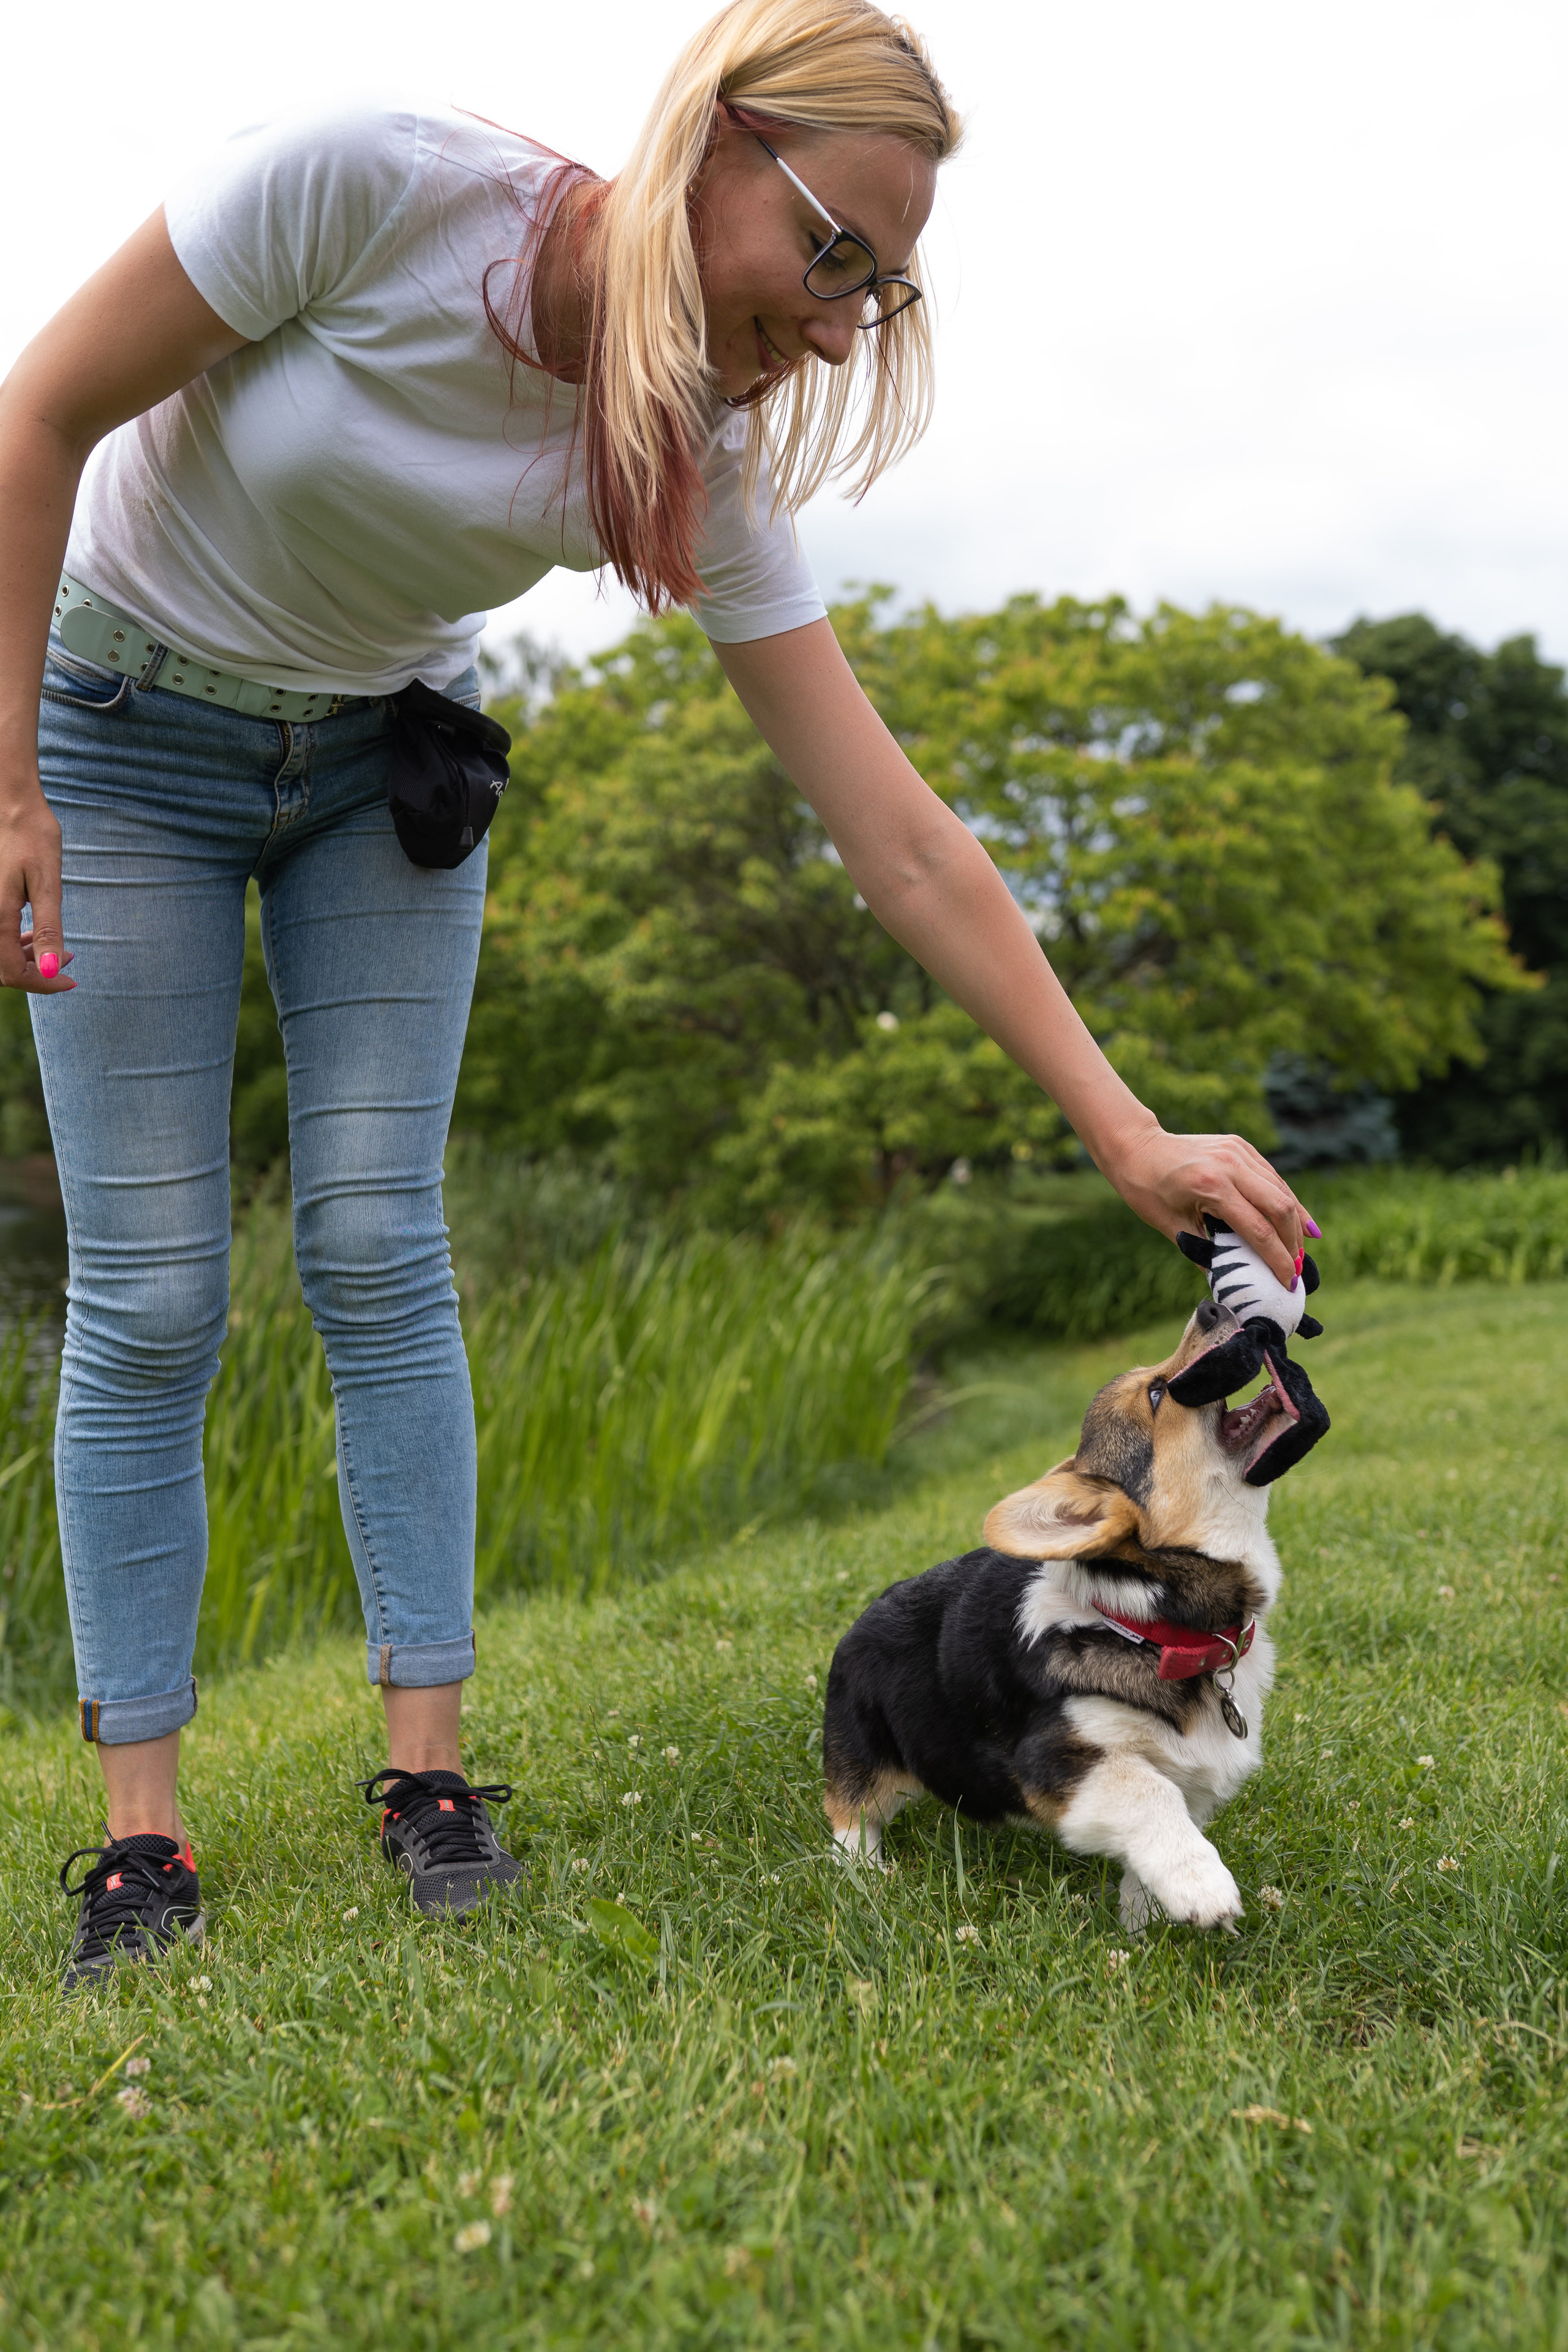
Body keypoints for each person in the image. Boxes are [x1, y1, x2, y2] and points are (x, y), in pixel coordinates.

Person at [0, 0, 1311, 1991]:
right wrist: (6, 773)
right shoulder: (363, 182)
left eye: (892, 286)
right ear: (720, 144)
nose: (852, 319)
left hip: (379, 773)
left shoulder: (690, 449)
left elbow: (903, 840)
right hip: (114, 740)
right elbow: (39, 420)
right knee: (157, 1286)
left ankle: (427, 1781)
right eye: (837, 254)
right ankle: (141, 1837)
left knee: (375, 1243)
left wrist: (1122, 1126)